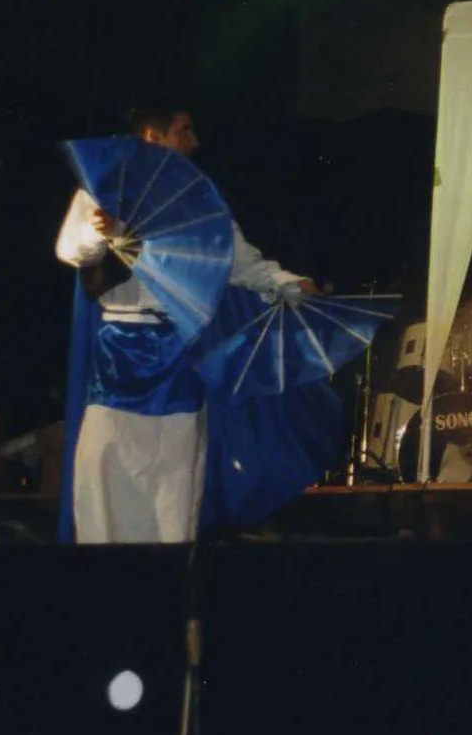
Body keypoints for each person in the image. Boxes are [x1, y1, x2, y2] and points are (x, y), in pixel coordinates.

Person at [55, 106, 320, 543]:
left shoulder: (199, 201)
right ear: (152, 135)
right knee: (107, 481)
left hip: (176, 358)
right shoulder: (103, 189)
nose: (195, 141)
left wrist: (289, 283)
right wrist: (105, 232)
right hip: (119, 361)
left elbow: (240, 262)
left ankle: (171, 578)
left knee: (173, 491)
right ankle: (106, 578)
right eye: (184, 130)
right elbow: (73, 251)